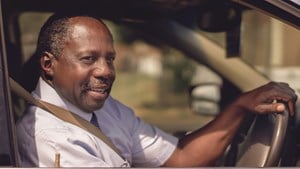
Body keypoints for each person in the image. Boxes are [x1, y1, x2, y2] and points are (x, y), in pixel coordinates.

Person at [16, 13, 297, 167]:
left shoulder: (103, 108)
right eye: (88, 59)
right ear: (48, 64)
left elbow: (182, 159)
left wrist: (241, 105)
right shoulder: (51, 138)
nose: (106, 71)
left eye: (110, 58)